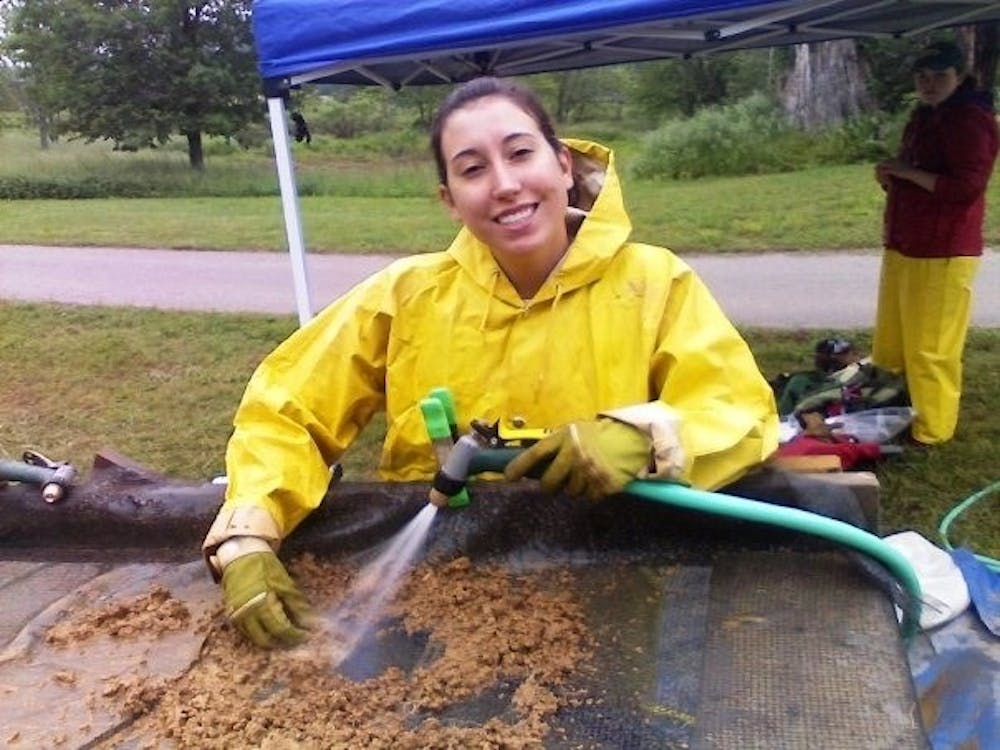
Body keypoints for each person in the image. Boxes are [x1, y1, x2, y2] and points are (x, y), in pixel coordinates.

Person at [203, 77, 874, 650]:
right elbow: (286, 410)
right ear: (449, 199)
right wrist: (246, 539)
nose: (505, 185)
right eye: (472, 169)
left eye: (521, 153)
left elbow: (738, 410)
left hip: (612, 577)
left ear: (562, 164)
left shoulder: (654, 283)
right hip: (435, 585)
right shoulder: (405, 297)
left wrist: (642, 438)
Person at [873, 39, 998, 445]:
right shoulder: (925, 115)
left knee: (931, 348)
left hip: (943, 248)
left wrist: (906, 173)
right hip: (906, 241)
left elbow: (966, 187)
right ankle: (893, 407)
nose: (928, 84)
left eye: (939, 75)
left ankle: (931, 431)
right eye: (922, 77)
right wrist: (892, 177)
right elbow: (920, 175)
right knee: (893, 340)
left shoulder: (971, 119)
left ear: (960, 76)